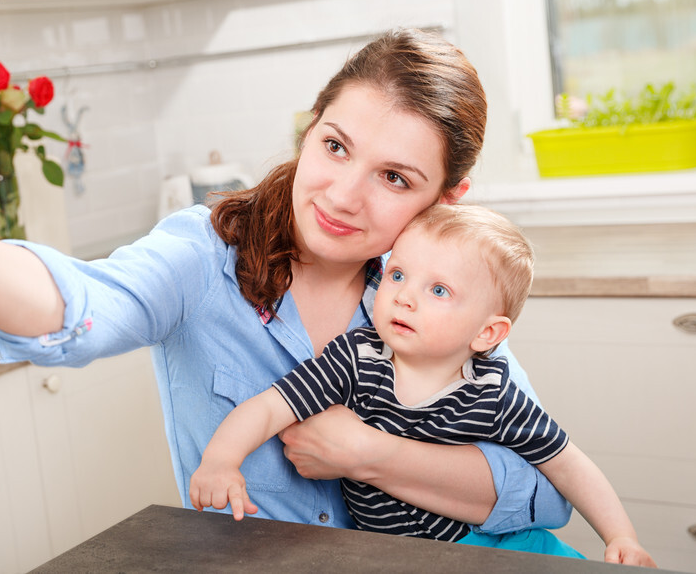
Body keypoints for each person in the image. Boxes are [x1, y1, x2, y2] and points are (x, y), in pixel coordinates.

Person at [0, 28, 572, 550]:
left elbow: (540, 490)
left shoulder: (436, 291)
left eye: (393, 178)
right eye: (334, 146)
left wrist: (364, 454)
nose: (343, 196)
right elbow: (77, 308)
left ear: (446, 199)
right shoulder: (203, 255)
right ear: (308, 131)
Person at [190, 204, 656, 567]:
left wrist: (622, 537)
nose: (404, 296)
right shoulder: (356, 359)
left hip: (499, 544)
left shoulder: (493, 394)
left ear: (487, 334)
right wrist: (221, 462)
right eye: (397, 274)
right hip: (395, 556)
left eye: (438, 291)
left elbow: (568, 465)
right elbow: (270, 407)